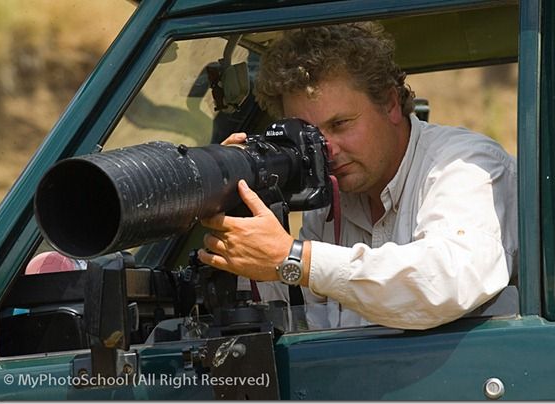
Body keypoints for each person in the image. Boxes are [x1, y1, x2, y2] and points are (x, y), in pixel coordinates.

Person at [197, 22, 518, 330]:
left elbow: (444, 282)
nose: (327, 148)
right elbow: (297, 316)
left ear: (391, 103)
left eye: (340, 124)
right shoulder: (328, 201)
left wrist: (295, 258)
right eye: (310, 134)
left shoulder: (463, 164)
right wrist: (241, 196)